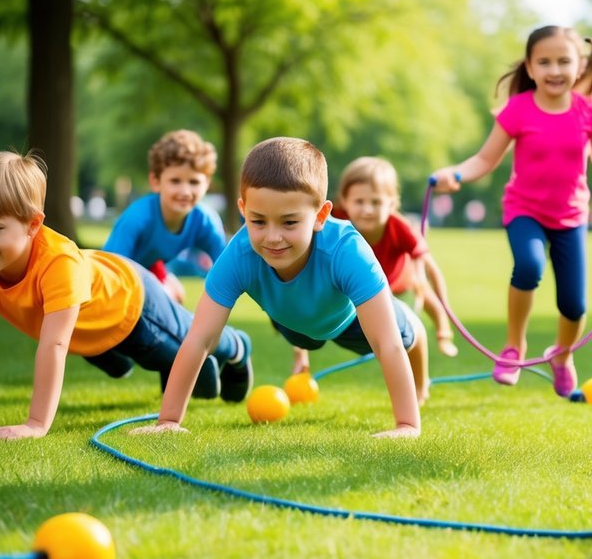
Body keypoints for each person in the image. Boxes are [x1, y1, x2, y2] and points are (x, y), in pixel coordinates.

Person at [0, 151, 253, 441]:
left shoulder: (57, 262)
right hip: (95, 331)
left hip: (133, 304)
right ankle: (161, 362)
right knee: (156, 365)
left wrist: (35, 425)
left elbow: (54, 345)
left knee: (195, 348)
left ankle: (236, 345)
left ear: (33, 225)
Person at [132, 137, 428, 439]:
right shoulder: (240, 254)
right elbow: (199, 338)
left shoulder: (347, 251)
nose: (272, 237)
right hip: (292, 322)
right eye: (258, 221)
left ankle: (418, 355)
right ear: (243, 209)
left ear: (321, 216)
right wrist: (168, 421)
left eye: (289, 223)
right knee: (304, 334)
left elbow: (386, 344)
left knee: (404, 337)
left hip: (347, 318)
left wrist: (406, 426)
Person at [431, 25, 592, 398]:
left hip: (570, 219)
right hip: (525, 211)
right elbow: (485, 158)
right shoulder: (518, 110)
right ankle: (513, 348)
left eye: (563, 61)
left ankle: (563, 356)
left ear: (580, 65)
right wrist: (454, 174)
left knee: (574, 304)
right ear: (530, 66)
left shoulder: (588, 113)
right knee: (528, 266)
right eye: (544, 62)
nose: (554, 70)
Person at [292, 156, 458, 375]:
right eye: (359, 202)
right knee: (307, 302)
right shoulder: (334, 219)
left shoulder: (400, 226)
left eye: (376, 202)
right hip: (357, 284)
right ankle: (301, 359)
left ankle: (443, 333)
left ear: (391, 203)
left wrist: (419, 278)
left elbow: (427, 264)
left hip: (398, 281)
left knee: (423, 293)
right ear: (344, 201)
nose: (367, 210)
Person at [103, 129, 226, 304]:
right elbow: (109, 271)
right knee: (167, 296)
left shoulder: (205, 221)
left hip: (150, 268)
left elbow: (226, 268)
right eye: (175, 181)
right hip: (119, 279)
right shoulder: (137, 218)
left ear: (206, 183)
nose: (185, 191)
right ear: (155, 181)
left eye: (194, 182)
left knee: (176, 294)